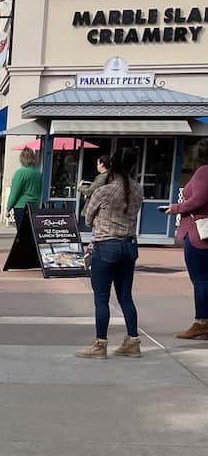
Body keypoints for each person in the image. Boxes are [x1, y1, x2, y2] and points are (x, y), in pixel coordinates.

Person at [76, 147, 143, 359]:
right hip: (129, 246)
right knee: (126, 297)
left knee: (102, 298)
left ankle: (100, 344)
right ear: (133, 166)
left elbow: (88, 218)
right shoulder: (138, 189)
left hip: (105, 245)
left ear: (111, 165)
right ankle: (133, 341)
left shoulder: (103, 191)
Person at [167, 137, 208, 340]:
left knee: (200, 279)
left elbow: (198, 199)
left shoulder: (203, 171)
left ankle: (202, 322)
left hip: (198, 232)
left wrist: (176, 208)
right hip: (201, 231)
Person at [7, 148, 44, 231]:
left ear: (21, 158)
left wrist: (8, 208)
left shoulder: (20, 173)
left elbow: (14, 193)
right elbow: (40, 190)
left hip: (21, 206)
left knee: (22, 232)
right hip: (34, 205)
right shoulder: (38, 173)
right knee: (31, 231)